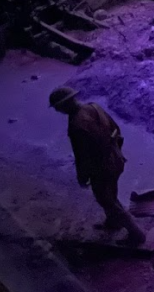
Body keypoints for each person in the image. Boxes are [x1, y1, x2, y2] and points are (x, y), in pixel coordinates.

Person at [49, 86, 145, 245]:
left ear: (65, 104)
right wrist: (115, 151)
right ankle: (112, 222)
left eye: (57, 107)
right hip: (115, 158)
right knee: (111, 192)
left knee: (106, 200)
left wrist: (82, 176)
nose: (57, 111)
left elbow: (82, 156)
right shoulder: (94, 107)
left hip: (101, 167)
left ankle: (136, 234)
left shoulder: (77, 125)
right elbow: (116, 130)